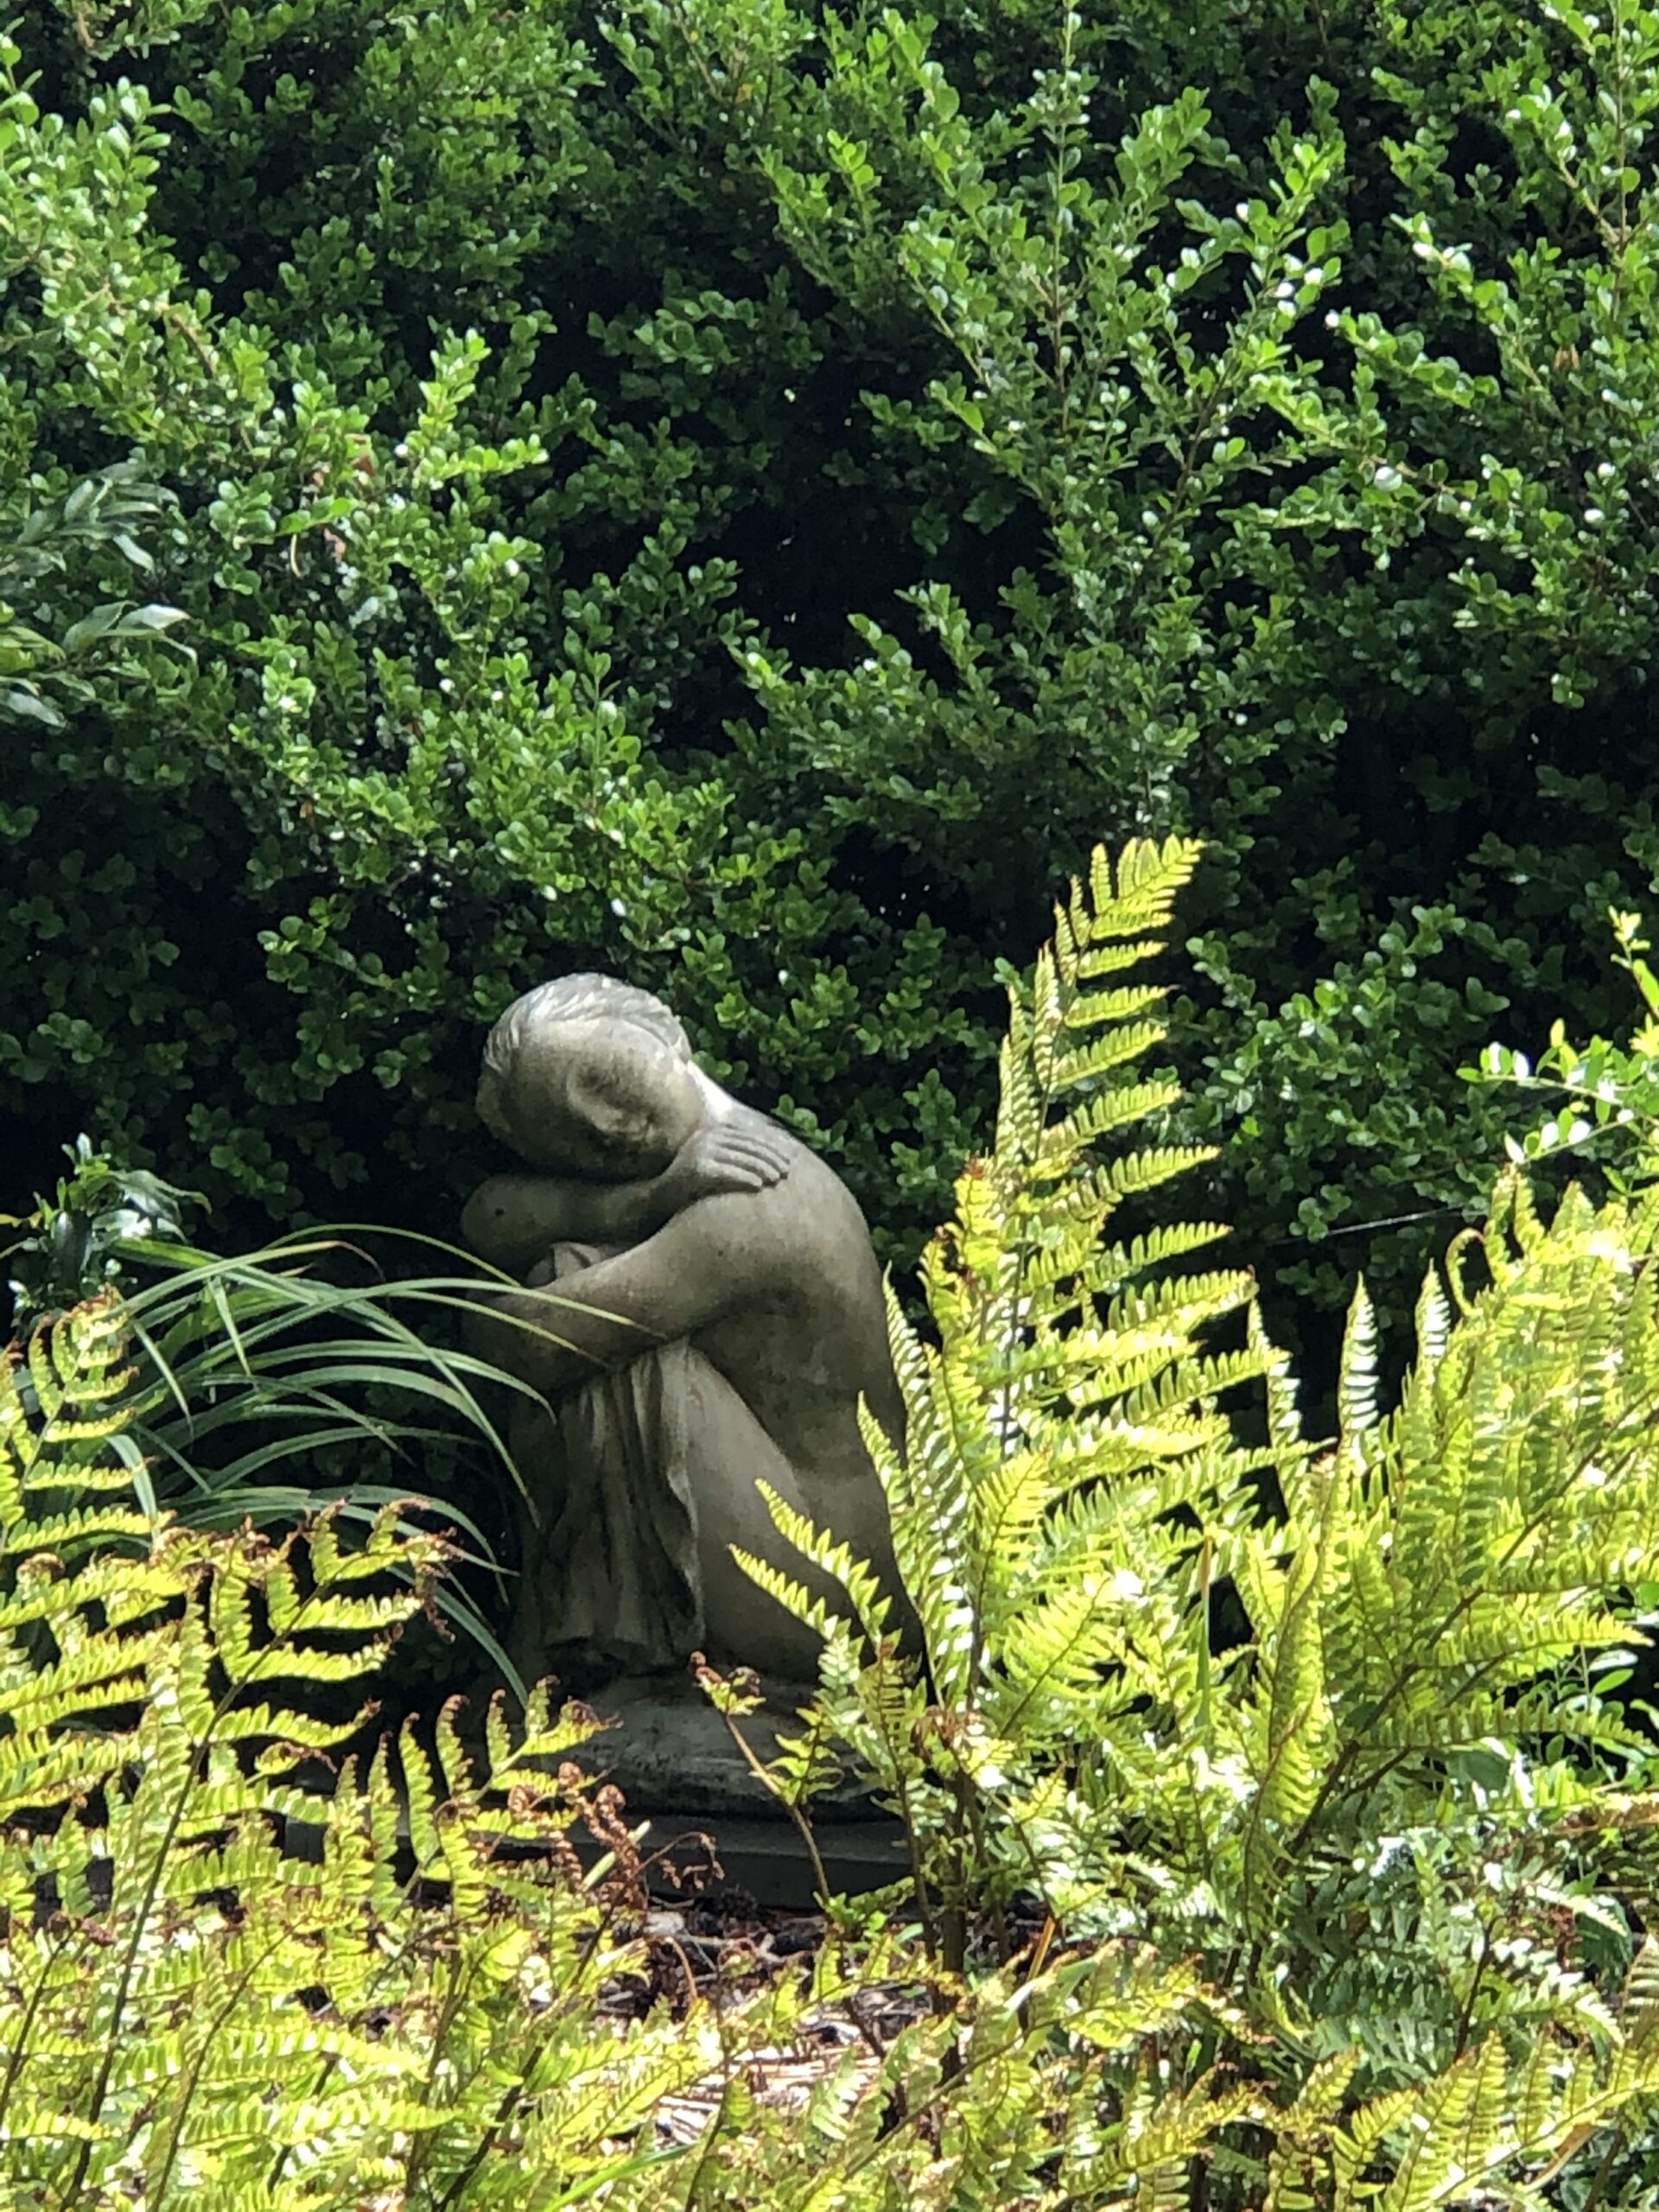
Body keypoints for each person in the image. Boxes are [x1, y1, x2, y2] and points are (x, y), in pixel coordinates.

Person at [461, 975, 906, 1687]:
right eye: (570, 1138)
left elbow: (518, 1348)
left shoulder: (754, 1192)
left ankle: (571, 1663)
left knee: (589, 1324)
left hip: (838, 1596)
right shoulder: (682, 1171)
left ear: (667, 1033)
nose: (604, 1124)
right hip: (801, 1545)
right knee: (574, 1262)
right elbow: (487, 1216)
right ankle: (577, 1661)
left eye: (605, 1077)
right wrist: (642, 1199)